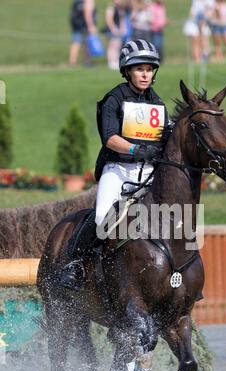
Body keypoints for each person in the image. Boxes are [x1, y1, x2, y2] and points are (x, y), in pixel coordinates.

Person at [60, 39, 168, 290]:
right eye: (139, 69)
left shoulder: (158, 103)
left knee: (173, 216)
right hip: (118, 169)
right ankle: (76, 265)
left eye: (149, 69)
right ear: (127, 71)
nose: (145, 74)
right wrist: (137, 148)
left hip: (149, 171)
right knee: (102, 217)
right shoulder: (114, 99)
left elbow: (167, 135)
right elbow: (109, 139)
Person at [69, 0, 97, 66]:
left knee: (76, 43)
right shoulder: (88, 1)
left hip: (76, 25)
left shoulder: (77, 2)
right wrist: (91, 26)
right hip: (84, 26)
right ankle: (86, 62)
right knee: (86, 44)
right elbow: (88, 14)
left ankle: (73, 61)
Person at [105, 0, 127, 70]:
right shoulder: (111, 8)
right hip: (112, 30)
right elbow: (109, 20)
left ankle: (116, 61)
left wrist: (122, 28)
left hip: (118, 30)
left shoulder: (120, 8)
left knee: (117, 46)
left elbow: (121, 19)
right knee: (112, 46)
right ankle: (111, 62)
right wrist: (113, 29)